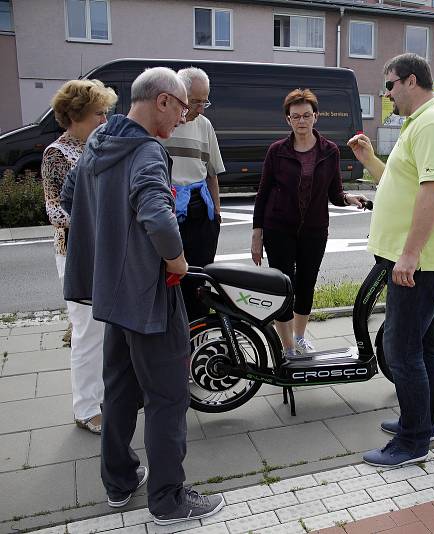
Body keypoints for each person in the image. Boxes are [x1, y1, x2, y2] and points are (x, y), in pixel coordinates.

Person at [61, 67, 224, 524]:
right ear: (163, 101)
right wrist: (175, 259)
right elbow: (156, 213)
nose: (184, 119)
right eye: (183, 108)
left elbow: (74, 199)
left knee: (118, 391)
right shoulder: (147, 150)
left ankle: (119, 481)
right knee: (168, 397)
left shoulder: (98, 141)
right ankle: (169, 499)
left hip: (111, 296)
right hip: (149, 298)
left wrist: (111, 247)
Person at [347, 53, 434, 467]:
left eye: (389, 85)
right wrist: (371, 162)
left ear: (410, 81)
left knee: (402, 348)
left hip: (423, 260)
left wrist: (411, 254)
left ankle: (412, 441)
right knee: (427, 343)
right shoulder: (421, 122)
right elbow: (405, 185)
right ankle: (422, 423)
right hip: (424, 259)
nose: (387, 94)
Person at [251, 89, 368, 360]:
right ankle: (287, 346)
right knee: (283, 286)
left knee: (306, 285)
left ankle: (300, 338)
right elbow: (263, 192)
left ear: (315, 117)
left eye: (306, 115)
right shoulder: (277, 151)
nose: (301, 120)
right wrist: (257, 234)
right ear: (287, 120)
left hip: (314, 232)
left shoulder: (329, 152)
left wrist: (349, 199)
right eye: (295, 116)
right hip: (279, 229)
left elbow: (334, 193)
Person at [42, 79, 117, 435]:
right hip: (75, 254)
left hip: (103, 251)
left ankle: (104, 396)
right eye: (98, 114)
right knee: (87, 332)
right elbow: (55, 211)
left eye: (105, 113)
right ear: (75, 115)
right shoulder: (57, 153)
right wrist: (102, 214)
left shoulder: (98, 146)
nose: (104, 120)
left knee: (106, 330)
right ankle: (86, 409)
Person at [161, 67, 225, 322]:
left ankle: (199, 337)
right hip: (167, 212)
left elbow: (212, 175)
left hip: (200, 211)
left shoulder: (205, 125)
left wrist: (217, 217)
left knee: (199, 280)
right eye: (195, 100)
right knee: (169, 280)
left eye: (204, 100)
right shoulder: (162, 124)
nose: (201, 107)